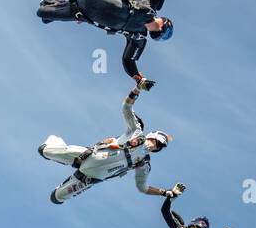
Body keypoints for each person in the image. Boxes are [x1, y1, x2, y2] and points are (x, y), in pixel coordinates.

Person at [36, 0, 181, 88]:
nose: (163, 35)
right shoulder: (150, 6)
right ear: (164, 22)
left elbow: (128, 60)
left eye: (165, 37)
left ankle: (60, 2)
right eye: (167, 33)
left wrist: (139, 79)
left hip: (82, 13)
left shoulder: (139, 38)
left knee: (42, 13)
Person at [38, 86, 175, 204]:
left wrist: (165, 192)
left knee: (56, 198)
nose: (154, 146)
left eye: (158, 146)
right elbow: (126, 107)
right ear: (151, 136)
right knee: (44, 150)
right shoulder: (136, 132)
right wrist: (137, 89)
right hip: (87, 156)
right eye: (155, 141)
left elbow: (143, 187)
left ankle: (60, 163)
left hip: (89, 178)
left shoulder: (144, 164)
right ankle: (56, 141)